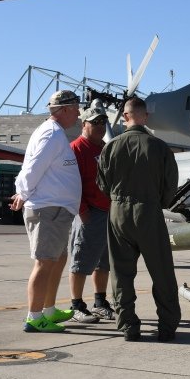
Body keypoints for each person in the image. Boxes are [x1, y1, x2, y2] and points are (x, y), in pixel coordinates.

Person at [96, 97, 180, 342]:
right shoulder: (159, 147)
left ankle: (129, 326)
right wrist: (158, 203)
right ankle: (166, 328)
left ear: (125, 116)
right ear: (145, 117)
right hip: (149, 210)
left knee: (121, 273)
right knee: (162, 271)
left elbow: (102, 183)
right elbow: (170, 186)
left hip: (118, 212)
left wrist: (118, 199)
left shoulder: (110, 147)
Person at [11, 89, 82, 333]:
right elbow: (33, 167)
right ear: (62, 110)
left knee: (57, 259)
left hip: (56, 209)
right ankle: (34, 316)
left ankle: (49, 310)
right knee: (44, 262)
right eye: (74, 108)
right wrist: (23, 192)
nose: (78, 113)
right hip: (47, 209)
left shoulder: (55, 133)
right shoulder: (51, 134)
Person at [66, 106, 116, 323]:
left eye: (102, 122)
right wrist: (83, 211)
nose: (99, 126)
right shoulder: (76, 149)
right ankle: (76, 305)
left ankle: (100, 303)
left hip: (108, 212)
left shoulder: (105, 148)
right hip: (89, 213)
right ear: (83, 124)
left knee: (103, 262)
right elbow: (70, 184)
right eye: (94, 122)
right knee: (81, 261)